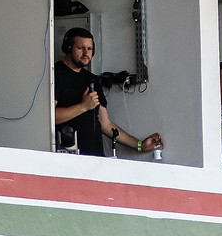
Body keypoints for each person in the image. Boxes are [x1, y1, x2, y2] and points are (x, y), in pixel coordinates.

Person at [53, 28, 162, 156]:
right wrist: (83, 106)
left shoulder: (91, 79)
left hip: (96, 158)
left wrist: (139, 145)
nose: (86, 53)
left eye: (89, 49)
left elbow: (105, 124)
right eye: (80, 48)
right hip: (67, 159)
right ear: (68, 48)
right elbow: (48, 117)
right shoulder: (55, 75)